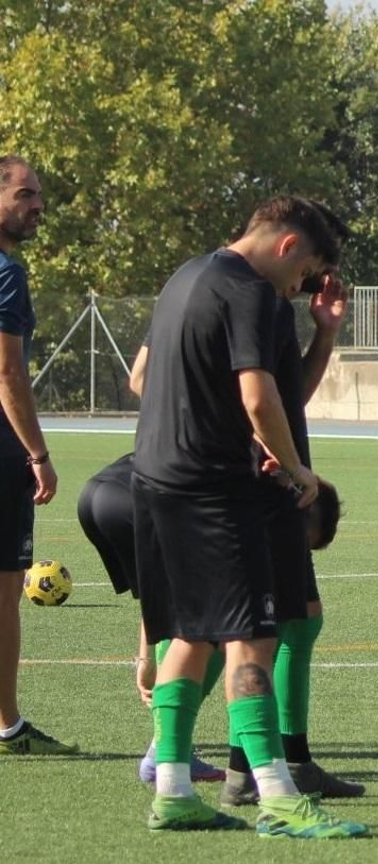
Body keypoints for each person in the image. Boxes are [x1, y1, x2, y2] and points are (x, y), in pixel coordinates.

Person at [133, 195, 364, 837]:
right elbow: (260, 398)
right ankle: (279, 796)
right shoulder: (251, 295)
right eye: (305, 271)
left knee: (189, 633)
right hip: (215, 491)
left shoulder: (186, 276)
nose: (299, 287)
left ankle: (174, 790)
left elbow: (145, 379)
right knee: (252, 639)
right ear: (288, 245)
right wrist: (297, 473)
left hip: (154, 481)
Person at [76, 453, 343, 785]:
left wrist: (144, 656)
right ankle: (172, 756)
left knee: (184, 608)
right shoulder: (267, 478)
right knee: (215, 625)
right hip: (141, 499)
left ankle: (168, 753)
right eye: (302, 544)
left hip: (97, 496)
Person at [0, 155, 71, 756]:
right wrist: (38, 454)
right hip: (1, 457)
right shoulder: (6, 273)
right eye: (25, 195)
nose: (37, 205)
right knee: (3, 591)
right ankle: (7, 727)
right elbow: (9, 371)